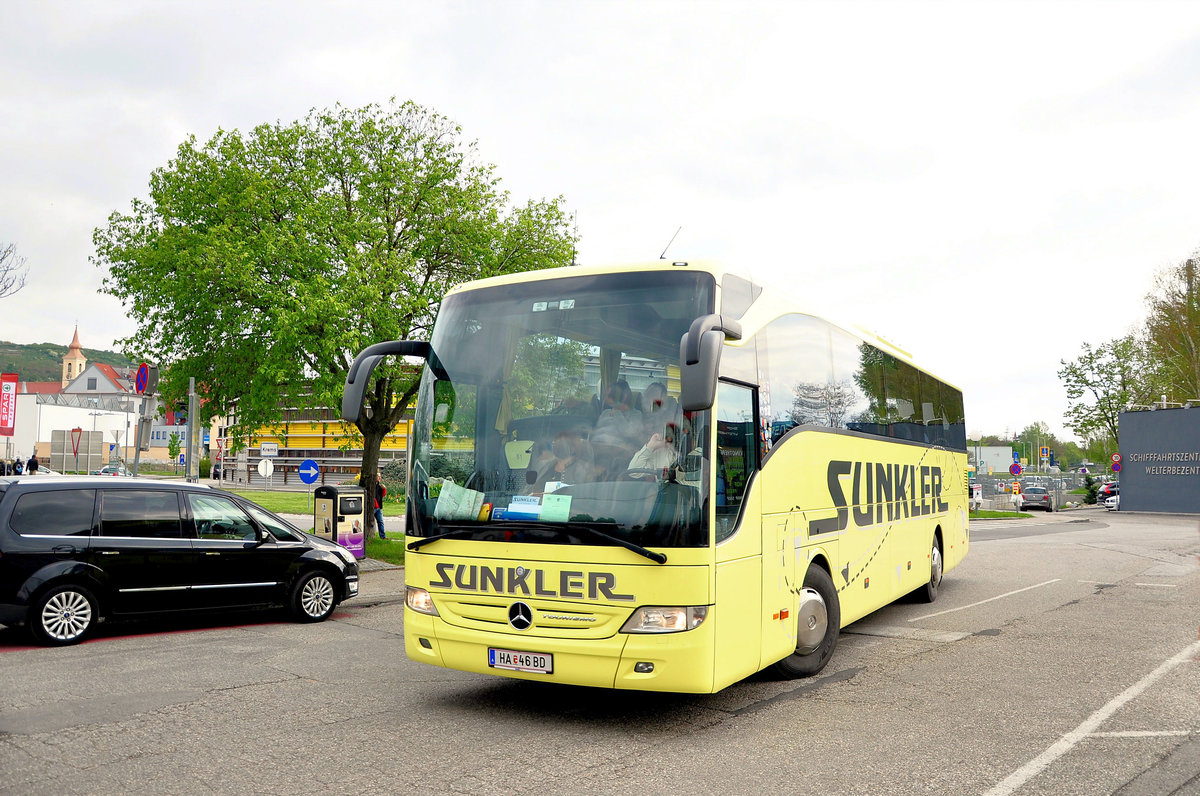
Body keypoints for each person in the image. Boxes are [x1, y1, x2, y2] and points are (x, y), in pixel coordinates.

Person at [528, 431, 593, 494]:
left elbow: (580, 494)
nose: (555, 443)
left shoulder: (582, 469)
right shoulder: (544, 465)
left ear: (573, 447)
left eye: (562, 442)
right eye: (555, 440)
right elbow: (527, 490)